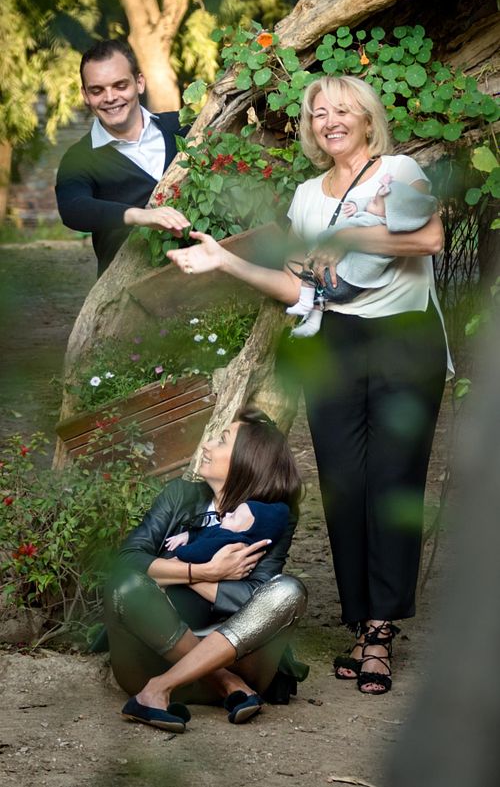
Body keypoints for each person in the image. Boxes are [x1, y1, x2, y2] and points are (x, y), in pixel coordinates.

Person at [166, 74, 454, 696]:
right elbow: (301, 288)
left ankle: (380, 631)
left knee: (393, 481)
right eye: (319, 113)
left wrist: (345, 235)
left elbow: (430, 238)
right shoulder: (305, 197)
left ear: (367, 118)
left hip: (404, 341)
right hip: (334, 344)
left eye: (342, 110)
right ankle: (360, 619)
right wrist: (226, 260)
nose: (330, 121)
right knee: (345, 485)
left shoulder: (397, 171)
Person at [104, 407, 308, 732]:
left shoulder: (272, 516)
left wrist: (172, 572)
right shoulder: (179, 496)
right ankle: (225, 683)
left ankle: (160, 690)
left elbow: (257, 597)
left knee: (289, 591)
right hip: (155, 655)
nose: (207, 445)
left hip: (237, 655)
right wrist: (206, 572)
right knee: (126, 584)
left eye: (222, 440)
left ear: (247, 460)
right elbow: (127, 561)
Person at [56, 39, 191, 276]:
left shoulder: (182, 127)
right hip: (126, 289)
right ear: (85, 95)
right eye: (97, 90)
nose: (110, 97)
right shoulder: (79, 158)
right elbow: (73, 209)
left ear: (139, 83)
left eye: (120, 85)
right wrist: (139, 215)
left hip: (205, 281)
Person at [288, 172, 438, 337]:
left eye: (375, 202)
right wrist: (357, 205)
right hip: (354, 287)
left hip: (345, 283)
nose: (371, 200)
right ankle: (313, 322)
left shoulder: (370, 221)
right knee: (321, 292)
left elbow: (343, 230)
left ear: (388, 215)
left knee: (312, 275)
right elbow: (370, 202)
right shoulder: (386, 220)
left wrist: (325, 239)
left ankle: (305, 304)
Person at [165, 499, 290, 564]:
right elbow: (207, 531)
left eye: (233, 516)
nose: (228, 513)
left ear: (244, 532)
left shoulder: (229, 541)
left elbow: (199, 551)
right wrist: (189, 535)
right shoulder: (226, 530)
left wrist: (181, 551)